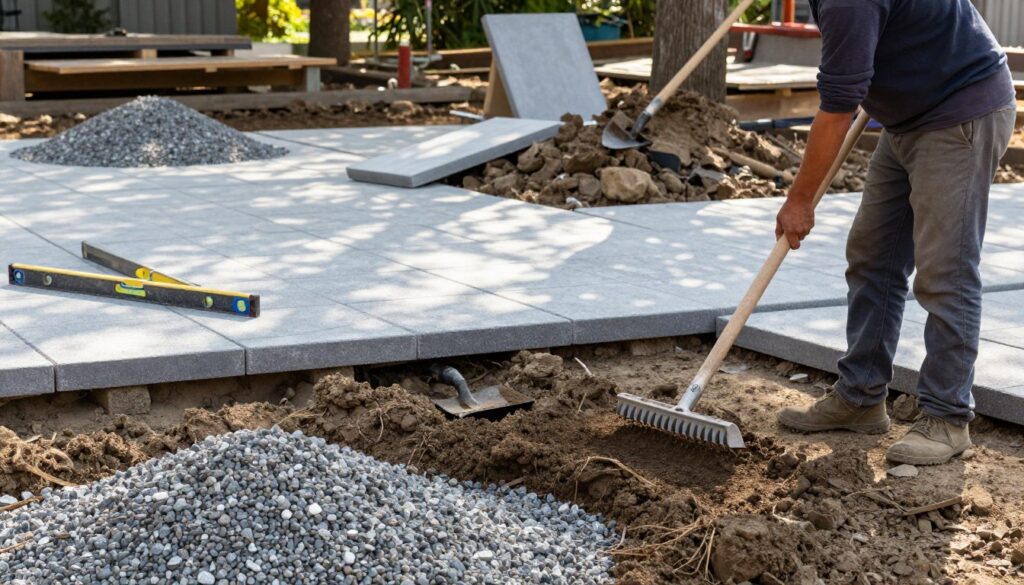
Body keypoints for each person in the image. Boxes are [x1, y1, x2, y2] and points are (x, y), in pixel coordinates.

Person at [774, 0, 1017, 465]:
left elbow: (837, 106)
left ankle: (947, 419)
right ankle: (860, 399)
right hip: (911, 115)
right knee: (872, 255)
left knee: (945, 270)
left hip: (960, 112)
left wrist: (800, 199)